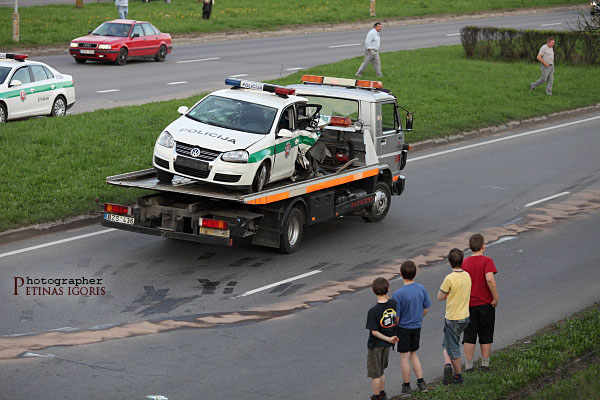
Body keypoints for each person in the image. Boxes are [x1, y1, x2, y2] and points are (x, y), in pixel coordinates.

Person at [391, 261, 431, 396]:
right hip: (416, 326)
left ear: (401, 274)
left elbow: (396, 316)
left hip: (403, 328)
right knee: (414, 354)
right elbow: (426, 308)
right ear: (415, 273)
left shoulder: (398, 293)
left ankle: (406, 386)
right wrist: (419, 318)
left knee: (404, 357)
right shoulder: (421, 288)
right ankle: (421, 382)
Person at [462, 234, 498, 372]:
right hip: (485, 304)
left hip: (469, 304)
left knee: (469, 335)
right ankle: (485, 364)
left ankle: (469, 365)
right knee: (486, 333)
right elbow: (489, 279)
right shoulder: (487, 261)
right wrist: (495, 298)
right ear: (483, 246)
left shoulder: (465, 263)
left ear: (470, 247)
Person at [437, 248, 471, 385]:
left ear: (449, 262)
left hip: (453, 318)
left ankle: (458, 375)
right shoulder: (467, 276)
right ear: (462, 261)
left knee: (454, 346)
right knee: (447, 343)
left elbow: (440, 296)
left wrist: (448, 294)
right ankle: (447, 364)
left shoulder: (449, 278)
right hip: (465, 316)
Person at [366, 277, 399, 400]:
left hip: (376, 345)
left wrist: (386, 339)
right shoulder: (394, 304)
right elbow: (397, 320)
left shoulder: (373, 311)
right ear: (389, 289)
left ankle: (376, 396)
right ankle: (382, 393)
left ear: (373, 291)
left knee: (375, 373)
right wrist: (391, 338)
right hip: (388, 343)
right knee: (381, 370)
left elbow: (374, 332)